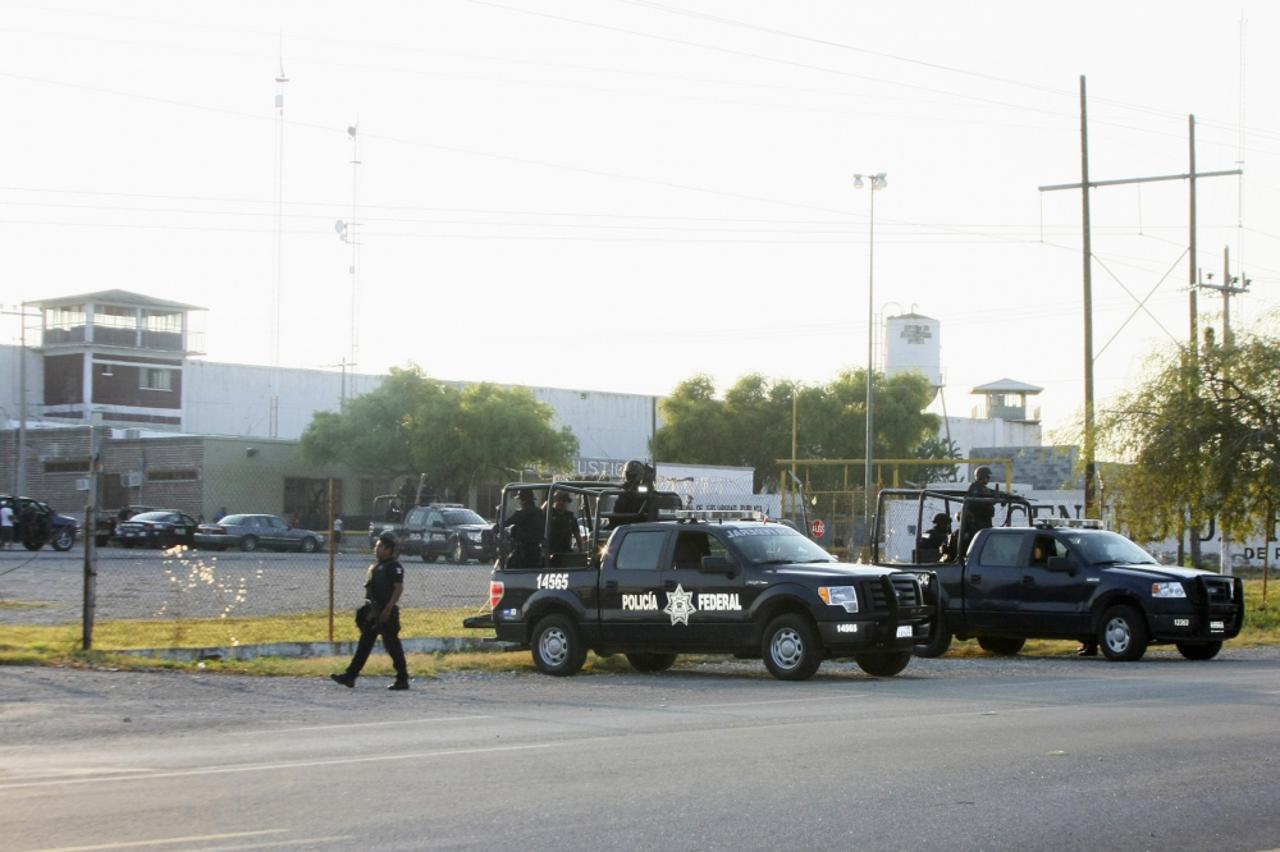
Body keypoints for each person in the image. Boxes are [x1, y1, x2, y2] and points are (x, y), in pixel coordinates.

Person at [331, 532, 409, 690]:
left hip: (387, 613)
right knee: (364, 644)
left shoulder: (394, 566)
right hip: (374, 612)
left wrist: (387, 609)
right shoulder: (377, 566)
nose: (377, 549)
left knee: (393, 646)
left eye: (380, 546)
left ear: (388, 549)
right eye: (377, 546)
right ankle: (350, 676)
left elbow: (398, 588)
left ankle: (402, 679)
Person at [505, 489, 543, 568]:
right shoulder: (539, 512)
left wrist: (498, 525)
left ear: (523, 500)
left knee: (510, 565)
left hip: (523, 550)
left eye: (521, 499)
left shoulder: (522, 513)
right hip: (536, 549)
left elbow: (507, 522)